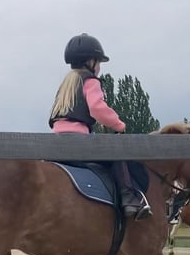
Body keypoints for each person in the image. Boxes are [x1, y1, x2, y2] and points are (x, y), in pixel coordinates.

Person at [49, 33, 151, 220]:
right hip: (80, 140)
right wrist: (119, 124)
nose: (99, 68)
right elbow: (97, 108)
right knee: (118, 153)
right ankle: (129, 198)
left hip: (56, 142)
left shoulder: (67, 83)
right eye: (99, 62)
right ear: (90, 61)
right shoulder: (90, 80)